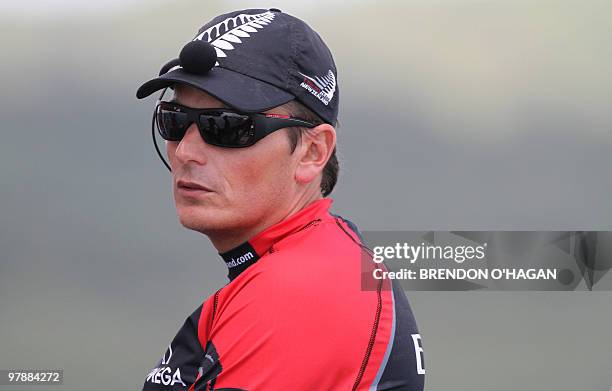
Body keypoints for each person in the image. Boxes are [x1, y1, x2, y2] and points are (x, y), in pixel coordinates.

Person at [136, 8, 425, 390]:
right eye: (173, 119)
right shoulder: (314, 261)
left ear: (311, 152)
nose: (186, 151)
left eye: (226, 126)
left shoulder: (303, 291)